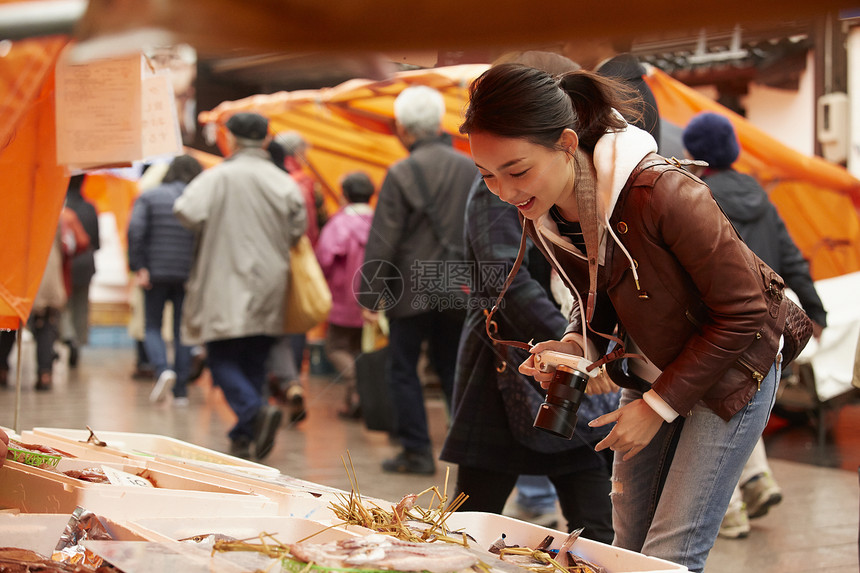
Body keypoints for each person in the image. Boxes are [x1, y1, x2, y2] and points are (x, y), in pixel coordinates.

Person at [460, 63, 789, 572]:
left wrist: (657, 406)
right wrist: (575, 344)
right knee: (625, 548)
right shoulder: (551, 210)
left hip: (732, 374)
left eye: (517, 170)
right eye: (488, 176)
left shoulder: (661, 191)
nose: (504, 191)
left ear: (567, 142)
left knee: (668, 555)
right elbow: (597, 293)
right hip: (649, 368)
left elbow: (746, 309)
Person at [440, 172, 617, 543]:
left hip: (562, 367)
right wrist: (574, 350)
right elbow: (504, 280)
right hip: (505, 364)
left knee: (594, 522)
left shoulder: (569, 176)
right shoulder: (496, 185)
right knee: (467, 524)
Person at [682, 111, 828, 538]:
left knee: (710, 414)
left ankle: (730, 510)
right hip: (765, 329)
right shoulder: (760, 197)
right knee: (740, 403)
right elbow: (792, 256)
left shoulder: (694, 194)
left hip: (713, 325)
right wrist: (816, 314)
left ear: (695, 152)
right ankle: (757, 480)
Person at [358, 85, 478, 475]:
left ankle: (417, 453)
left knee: (403, 370)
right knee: (451, 370)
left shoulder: (401, 172)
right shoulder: (468, 166)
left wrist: (370, 294)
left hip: (410, 289)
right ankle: (466, 454)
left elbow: (384, 239)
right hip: (458, 286)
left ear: (403, 128)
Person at [174, 112, 307, 460]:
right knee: (255, 359)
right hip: (270, 282)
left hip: (224, 279)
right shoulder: (283, 181)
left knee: (220, 357)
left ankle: (253, 413)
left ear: (231, 139)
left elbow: (186, 210)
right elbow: (297, 229)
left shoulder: (217, 177)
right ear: (264, 140)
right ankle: (243, 434)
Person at [127, 154, 204, 407]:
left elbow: (135, 230)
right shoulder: (198, 201)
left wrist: (139, 266)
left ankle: (162, 370)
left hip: (155, 273)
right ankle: (181, 391)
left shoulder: (149, 196)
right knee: (182, 332)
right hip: (186, 276)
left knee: (152, 326)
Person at [0, 210, 89, 390]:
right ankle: (44, 374)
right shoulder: (57, 213)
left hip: (15, 275)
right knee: (46, 324)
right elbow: (76, 243)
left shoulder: (12, 210)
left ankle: (1, 369)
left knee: (10, 324)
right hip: (46, 272)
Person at [315, 171, 375, 419]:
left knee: (337, 347)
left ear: (345, 194)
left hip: (343, 297)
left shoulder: (339, 223)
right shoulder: (381, 222)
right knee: (362, 348)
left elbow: (324, 258)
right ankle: (354, 400)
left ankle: (357, 387)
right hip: (374, 297)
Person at [61, 174, 100, 368]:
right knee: (81, 306)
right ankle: (78, 340)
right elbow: (96, 242)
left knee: (63, 306)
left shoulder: (60, 208)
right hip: (85, 264)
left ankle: (67, 337)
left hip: (64, 265)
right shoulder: (90, 207)